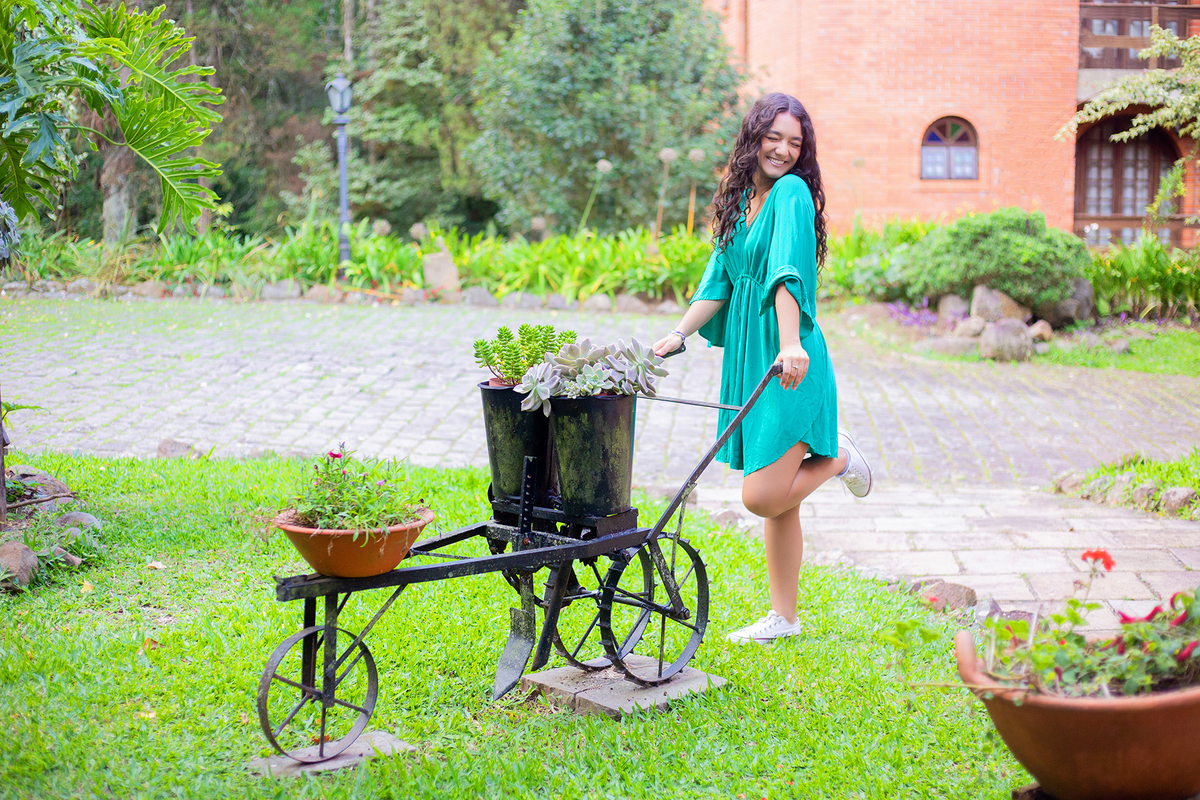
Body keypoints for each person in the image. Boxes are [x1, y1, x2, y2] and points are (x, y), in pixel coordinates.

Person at [652, 92, 873, 645]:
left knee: (762, 495)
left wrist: (792, 342)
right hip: (754, 359)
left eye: (795, 143)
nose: (784, 150)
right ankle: (785, 617)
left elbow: (786, 272)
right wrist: (676, 336)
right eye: (774, 137)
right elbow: (719, 284)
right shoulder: (739, 203)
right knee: (779, 501)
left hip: (788, 358)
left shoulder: (793, 195)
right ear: (754, 138)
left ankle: (840, 454)